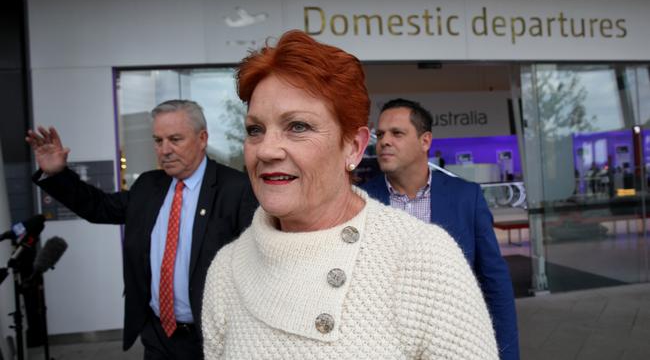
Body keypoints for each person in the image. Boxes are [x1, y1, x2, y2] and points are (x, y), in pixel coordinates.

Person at [201, 30, 497, 359]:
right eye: (255, 130)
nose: (266, 150)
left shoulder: (421, 258)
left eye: (298, 126)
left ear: (353, 146)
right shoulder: (226, 270)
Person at [26, 100, 257, 359]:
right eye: (158, 141)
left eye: (175, 139)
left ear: (202, 138)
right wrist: (58, 174)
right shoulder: (148, 186)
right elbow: (98, 207)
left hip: (213, 339)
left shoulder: (236, 189)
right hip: (158, 335)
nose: (165, 150)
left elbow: (256, 267)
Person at [361, 98, 519, 359]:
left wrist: (507, 354)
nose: (384, 141)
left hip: (455, 343)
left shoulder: (466, 197)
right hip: (385, 346)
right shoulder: (362, 201)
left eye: (397, 133)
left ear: (425, 141)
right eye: (381, 134)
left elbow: (495, 283)